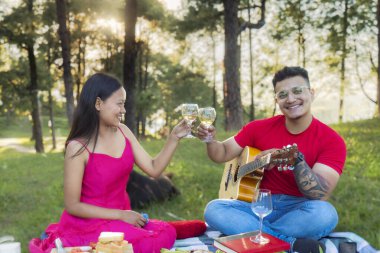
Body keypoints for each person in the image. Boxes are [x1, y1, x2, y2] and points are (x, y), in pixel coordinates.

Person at [29, 73, 191, 253]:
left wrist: (174, 138)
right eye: (119, 103)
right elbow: (72, 205)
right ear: (98, 104)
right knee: (144, 243)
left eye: (124, 104)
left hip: (122, 220)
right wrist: (121, 215)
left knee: (166, 232)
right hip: (89, 224)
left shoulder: (123, 131)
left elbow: (154, 169)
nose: (124, 110)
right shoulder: (77, 147)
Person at [197, 66, 346, 253]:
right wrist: (210, 139)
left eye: (297, 91)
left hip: (298, 209)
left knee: (326, 214)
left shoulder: (332, 140)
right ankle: (289, 244)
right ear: (276, 100)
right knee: (214, 209)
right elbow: (221, 153)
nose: (290, 99)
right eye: (282, 94)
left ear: (311, 93)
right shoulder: (258, 128)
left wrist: (297, 162)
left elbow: (317, 195)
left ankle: (255, 237)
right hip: (256, 204)